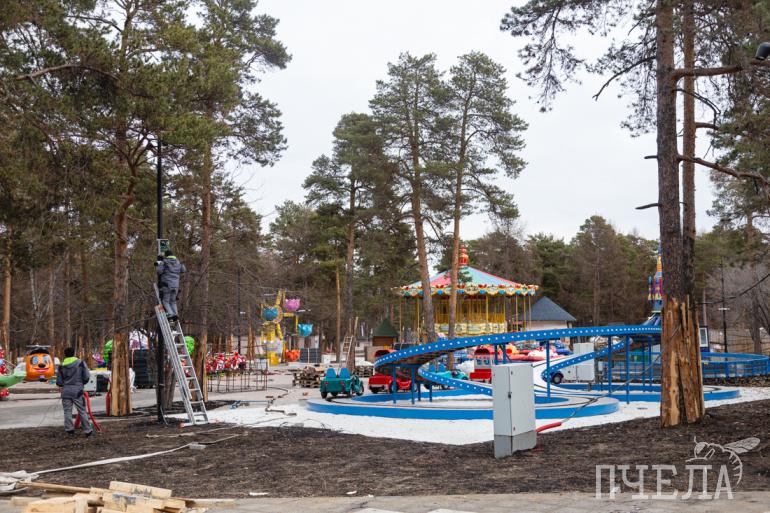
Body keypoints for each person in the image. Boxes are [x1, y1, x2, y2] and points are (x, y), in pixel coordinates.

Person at [56, 347, 93, 437]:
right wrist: (81, 384)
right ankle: (88, 431)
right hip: (78, 391)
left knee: (67, 411)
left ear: (65, 354)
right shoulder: (80, 363)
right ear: (74, 353)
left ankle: (70, 431)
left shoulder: (61, 366)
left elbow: (59, 382)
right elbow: (87, 377)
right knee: (82, 411)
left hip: (66, 392)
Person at [155, 249, 186, 322]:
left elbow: (159, 271)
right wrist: (181, 263)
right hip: (176, 286)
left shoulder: (164, 262)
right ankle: (176, 315)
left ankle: (171, 314)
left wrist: (159, 262)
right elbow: (183, 270)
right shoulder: (177, 262)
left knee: (165, 301)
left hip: (167, 284)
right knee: (173, 301)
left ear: (166, 255)